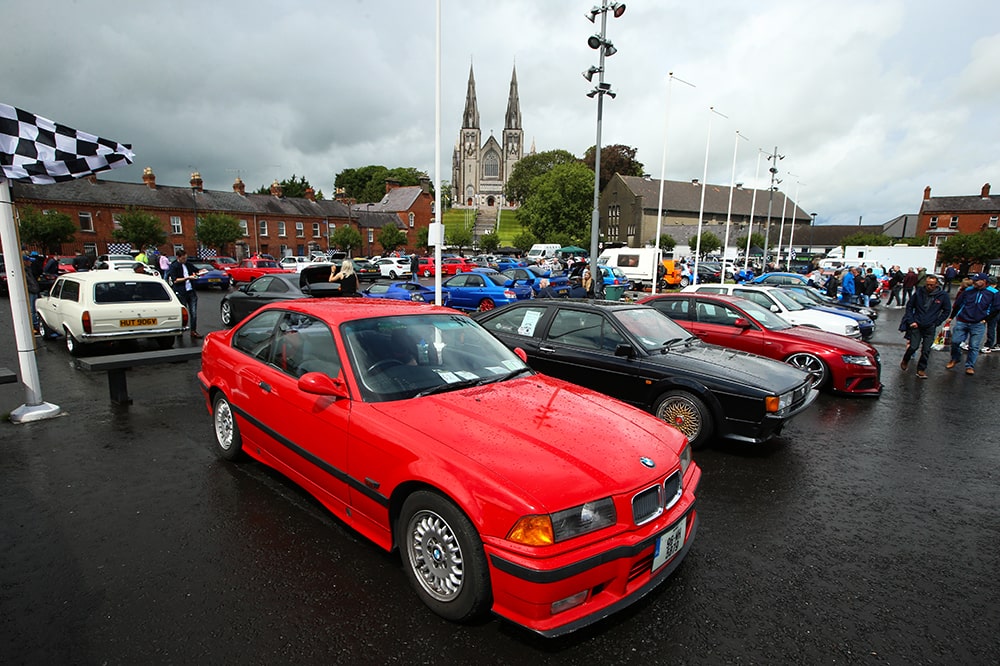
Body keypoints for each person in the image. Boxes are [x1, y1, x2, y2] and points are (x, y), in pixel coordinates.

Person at [899, 275, 950, 378]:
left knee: (926, 349)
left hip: (930, 326)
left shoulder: (942, 296)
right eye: (927, 284)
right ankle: (905, 359)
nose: (929, 287)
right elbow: (909, 306)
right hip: (916, 324)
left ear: (936, 284)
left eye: (931, 285)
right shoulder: (919, 293)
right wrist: (911, 321)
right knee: (913, 346)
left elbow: (947, 310)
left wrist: (937, 322)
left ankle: (921, 369)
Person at [944, 273, 994, 375]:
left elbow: (996, 308)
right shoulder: (968, 291)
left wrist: (986, 319)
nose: (974, 282)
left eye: (976, 280)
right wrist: (951, 317)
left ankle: (969, 366)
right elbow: (958, 304)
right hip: (963, 320)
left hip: (978, 323)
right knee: (955, 341)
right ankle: (955, 358)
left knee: (974, 346)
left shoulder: (993, 293)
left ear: (984, 281)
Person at [166, 249, 201, 339]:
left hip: (191, 291)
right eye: (183, 258)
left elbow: (196, 271)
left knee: (194, 313)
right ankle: (180, 331)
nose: (185, 260)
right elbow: (175, 280)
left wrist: (201, 271)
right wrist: (188, 278)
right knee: (182, 313)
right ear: (178, 257)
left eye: (186, 258)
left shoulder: (187, 264)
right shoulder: (174, 266)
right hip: (181, 292)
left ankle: (193, 331)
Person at [23, 255, 41, 335]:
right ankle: (34, 326)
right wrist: (32, 289)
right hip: (31, 291)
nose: (30, 262)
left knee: (34, 309)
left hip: (34, 291)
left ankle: (35, 324)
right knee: (31, 310)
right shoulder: (23, 271)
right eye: (29, 261)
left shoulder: (28, 270)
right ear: (24, 262)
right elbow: (27, 283)